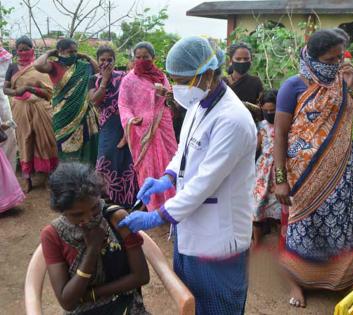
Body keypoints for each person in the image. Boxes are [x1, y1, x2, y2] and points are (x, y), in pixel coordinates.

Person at [118, 36, 257, 315]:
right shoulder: (199, 102)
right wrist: (167, 178)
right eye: (175, 79)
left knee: (219, 304)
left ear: (206, 74)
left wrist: (157, 215)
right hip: (191, 224)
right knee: (192, 298)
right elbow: (184, 148)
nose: (177, 87)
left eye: (182, 80)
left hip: (219, 235)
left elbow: (206, 181)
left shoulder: (233, 120)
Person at [274, 29, 353, 307]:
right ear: (314, 57)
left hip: (342, 170)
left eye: (341, 57)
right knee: (304, 226)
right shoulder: (292, 86)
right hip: (302, 174)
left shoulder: (345, 83)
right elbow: (280, 135)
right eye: (331, 60)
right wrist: (280, 179)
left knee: (343, 225)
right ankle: (297, 281)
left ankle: (343, 278)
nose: (338, 64)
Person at [40, 162, 150, 314]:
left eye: (95, 208)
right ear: (62, 211)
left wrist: (92, 294)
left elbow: (141, 276)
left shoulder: (116, 219)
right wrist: (92, 249)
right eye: (77, 215)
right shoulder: (53, 235)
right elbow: (68, 301)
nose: (89, 218)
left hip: (126, 306)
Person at [118, 42, 177, 211]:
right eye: (138, 57)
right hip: (141, 128)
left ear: (153, 58)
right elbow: (123, 104)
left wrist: (162, 93)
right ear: (133, 58)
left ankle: (173, 203)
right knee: (148, 167)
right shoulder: (129, 80)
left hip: (162, 124)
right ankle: (153, 203)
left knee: (171, 160)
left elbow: (169, 99)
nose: (142, 60)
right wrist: (130, 119)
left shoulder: (161, 77)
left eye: (146, 57)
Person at [3, 36, 58, 192]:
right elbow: (6, 89)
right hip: (20, 106)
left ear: (32, 49)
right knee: (24, 139)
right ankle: (27, 178)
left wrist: (31, 89)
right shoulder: (13, 67)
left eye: (26, 49)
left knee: (46, 140)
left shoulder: (40, 66)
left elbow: (49, 91)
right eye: (20, 49)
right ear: (16, 51)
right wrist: (17, 91)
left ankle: (49, 175)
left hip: (41, 105)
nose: (23, 52)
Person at [34, 38, 99, 165]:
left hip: (83, 112)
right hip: (62, 114)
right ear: (60, 51)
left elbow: (97, 71)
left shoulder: (82, 66)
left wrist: (86, 56)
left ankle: (86, 176)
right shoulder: (54, 66)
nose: (74, 55)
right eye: (70, 52)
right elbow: (37, 65)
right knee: (64, 145)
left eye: (76, 52)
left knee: (86, 145)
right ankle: (67, 177)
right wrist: (50, 53)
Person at [88, 46, 138, 208]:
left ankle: (127, 197)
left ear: (115, 61)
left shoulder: (124, 77)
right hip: (108, 124)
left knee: (126, 158)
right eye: (102, 59)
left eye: (110, 59)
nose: (106, 63)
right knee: (106, 156)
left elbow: (133, 97)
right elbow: (94, 100)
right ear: (97, 61)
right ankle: (105, 195)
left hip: (125, 122)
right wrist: (105, 80)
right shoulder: (93, 79)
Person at [253, 89, 283, 245]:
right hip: (263, 173)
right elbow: (255, 147)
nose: (270, 113)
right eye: (266, 111)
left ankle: (281, 247)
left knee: (280, 210)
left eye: (273, 110)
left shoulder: (285, 124)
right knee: (258, 207)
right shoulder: (261, 126)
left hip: (280, 171)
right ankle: (256, 245)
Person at [224, 42, 264, 121]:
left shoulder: (256, 82)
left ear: (251, 60)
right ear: (231, 60)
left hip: (249, 124)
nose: (242, 62)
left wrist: (246, 105)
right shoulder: (222, 82)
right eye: (238, 59)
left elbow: (261, 109)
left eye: (246, 59)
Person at [0, 44, 17, 169]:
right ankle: (7, 170)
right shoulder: (6, 56)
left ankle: (6, 170)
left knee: (8, 133)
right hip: (3, 97)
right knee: (8, 133)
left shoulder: (5, 57)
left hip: (3, 97)